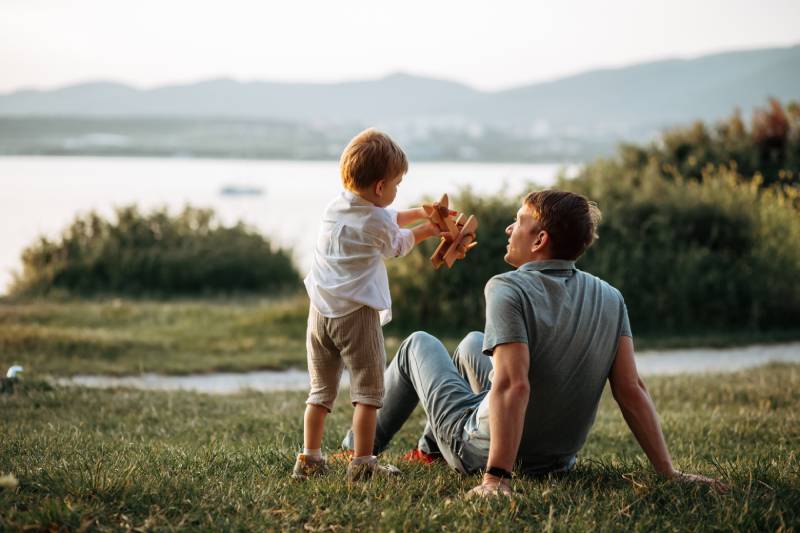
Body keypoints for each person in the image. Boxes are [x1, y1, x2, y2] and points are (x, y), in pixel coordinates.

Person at [341, 189, 726, 495]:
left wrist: (495, 477)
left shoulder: (506, 287)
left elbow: (513, 384)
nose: (509, 229)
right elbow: (631, 389)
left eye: (518, 222)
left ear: (540, 239)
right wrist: (669, 473)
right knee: (473, 343)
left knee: (417, 345)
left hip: (480, 452)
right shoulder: (610, 296)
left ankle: (354, 450)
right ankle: (429, 452)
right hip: (556, 461)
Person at [293, 128, 444, 481]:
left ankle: (310, 459)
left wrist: (420, 212)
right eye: (395, 185)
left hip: (319, 314)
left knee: (320, 392)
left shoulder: (338, 206)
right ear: (380, 187)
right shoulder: (376, 218)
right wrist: (428, 229)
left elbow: (387, 218)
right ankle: (362, 464)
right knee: (368, 393)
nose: (396, 192)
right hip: (355, 316)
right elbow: (396, 244)